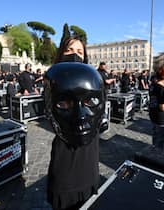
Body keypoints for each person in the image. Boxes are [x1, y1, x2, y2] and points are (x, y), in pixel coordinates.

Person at [45, 36, 105, 210]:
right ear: (61, 52)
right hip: (66, 152)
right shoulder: (53, 79)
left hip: (90, 151)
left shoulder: (92, 77)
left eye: (79, 51)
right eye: (69, 50)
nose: (74, 55)